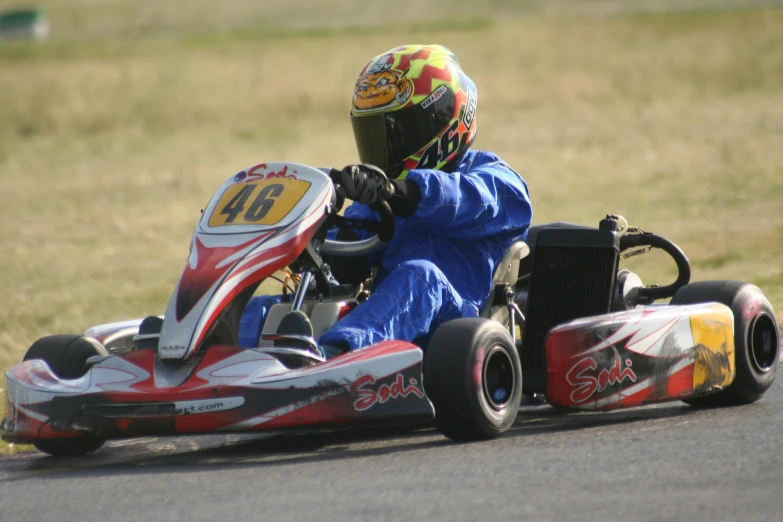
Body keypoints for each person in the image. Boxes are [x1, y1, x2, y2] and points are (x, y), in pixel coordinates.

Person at [240, 44, 533, 357]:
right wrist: (310, 241)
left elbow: (459, 199)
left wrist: (402, 193)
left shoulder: (499, 182)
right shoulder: (381, 200)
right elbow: (345, 265)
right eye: (374, 135)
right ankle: (221, 367)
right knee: (262, 309)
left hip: (459, 324)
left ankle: (334, 360)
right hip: (387, 320)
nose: (383, 150)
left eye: (395, 135)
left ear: (442, 120)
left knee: (419, 275)